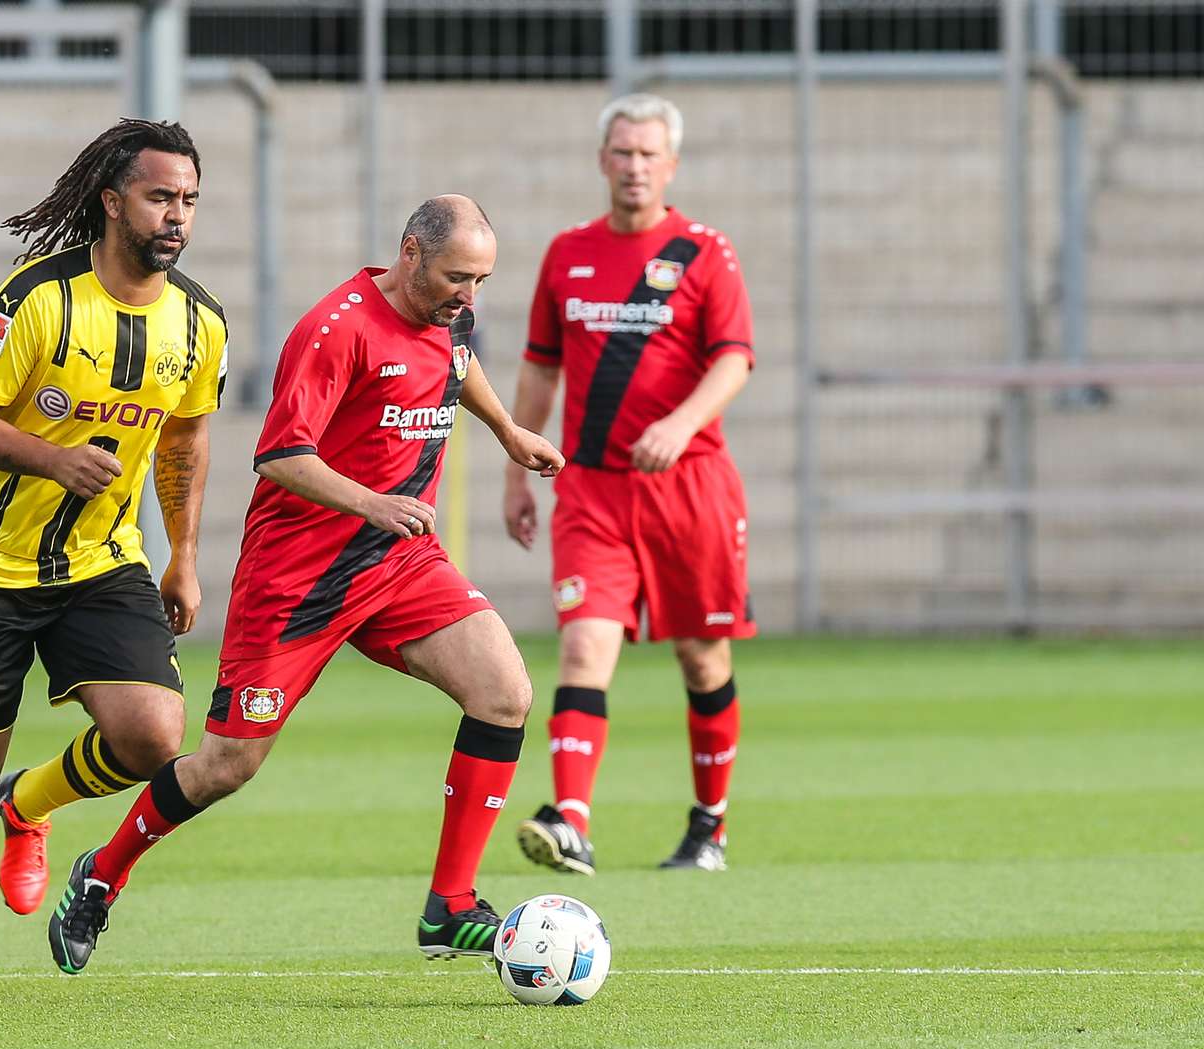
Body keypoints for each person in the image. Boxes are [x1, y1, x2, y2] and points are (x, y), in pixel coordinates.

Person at [46, 195, 565, 975]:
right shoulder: (337, 329)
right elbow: (281, 455)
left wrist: (508, 431)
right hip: (300, 576)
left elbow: (459, 361)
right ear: (411, 253)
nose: (471, 298)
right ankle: (102, 874)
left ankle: (449, 906)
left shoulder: (449, 313)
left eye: (483, 281)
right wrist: (373, 502)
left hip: (397, 563)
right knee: (227, 766)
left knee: (505, 693)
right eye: (459, 277)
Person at [0, 119, 227, 996]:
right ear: (113, 203)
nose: (176, 216)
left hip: (102, 561)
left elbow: (186, 435)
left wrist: (182, 553)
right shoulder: (37, 299)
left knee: (154, 736)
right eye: (158, 197)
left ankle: (30, 805)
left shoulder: (201, 322)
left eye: (187, 199)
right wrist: (53, 457)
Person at [505, 93, 756, 875]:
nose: (635, 166)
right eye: (622, 152)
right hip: (593, 491)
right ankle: (570, 818)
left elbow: (734, 357)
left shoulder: (704, 252)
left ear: (671, 165)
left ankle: (708, 826)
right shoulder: (567, 253)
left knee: (701, 661)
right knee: (583, 649)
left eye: (649, 154)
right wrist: (519, 468)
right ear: (602, 160)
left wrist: (680, 424)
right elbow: (541, 366)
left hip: (692, 489)